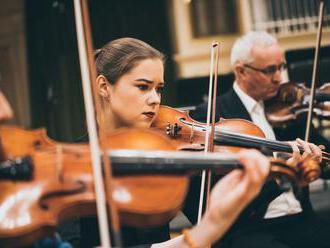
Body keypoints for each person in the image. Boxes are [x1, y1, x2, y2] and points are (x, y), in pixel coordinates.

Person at [77, 37, 271, 248]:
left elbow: (225, 222)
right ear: (104, 86)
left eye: (158, 89)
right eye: (143, 87)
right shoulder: (75, 163)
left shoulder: (164, 152)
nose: (155, 99)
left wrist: (278, 173)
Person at [191, 31, 330, 248]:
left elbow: (325, 156)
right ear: (241, 71)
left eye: (281, 67)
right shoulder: (212, 115)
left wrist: (317, 160)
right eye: (269, 70)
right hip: (249, 227)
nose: (279, 78)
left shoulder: (290, 109)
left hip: (301, 218)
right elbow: (203, 194)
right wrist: (280, 177)